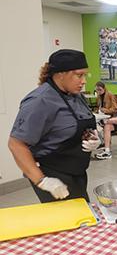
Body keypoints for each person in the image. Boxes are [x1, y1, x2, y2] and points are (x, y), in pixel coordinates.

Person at [8, 49, 100, 203]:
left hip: (77, 171)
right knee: (68, 222)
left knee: (83, 214)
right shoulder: (40, 101)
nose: (84, 81)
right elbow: (16, 144)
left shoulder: (77, 96)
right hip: (52, 175)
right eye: (79, 75)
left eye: (85, 74)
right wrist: (42, 181)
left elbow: (77, 127)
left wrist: (95, 138)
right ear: (60, 74)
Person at [94, 81, 117, 159]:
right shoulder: (98, 96)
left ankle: (106, 148)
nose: (98, 92)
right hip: (102, 117)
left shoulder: (110, 95)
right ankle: (102, 143)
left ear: (104, 88)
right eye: (96, 90)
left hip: (111, 118)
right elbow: (98, 107)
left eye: (100, 89)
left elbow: (115, 109)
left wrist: (106, 110)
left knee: (106, 127)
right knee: (92, 124)